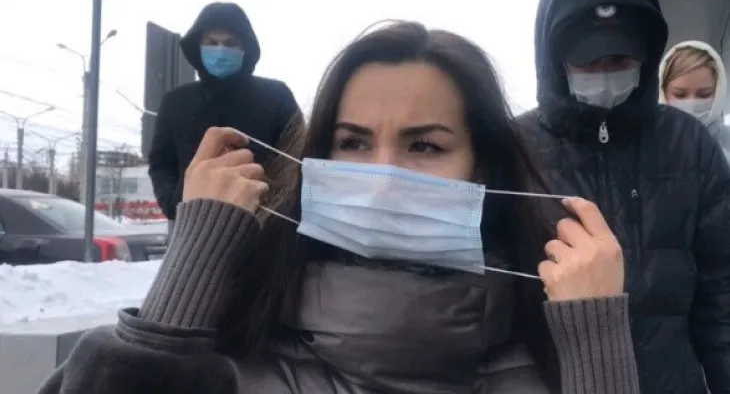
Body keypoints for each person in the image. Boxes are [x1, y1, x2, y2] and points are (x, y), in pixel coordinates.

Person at [37, 22, 639, 394]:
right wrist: (190, 272)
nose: (380, 179)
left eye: (425, 146)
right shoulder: (234, 345)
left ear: (482, 168)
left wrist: (596, 340)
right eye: (352, 143)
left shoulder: (536, 353)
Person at [516, 0, 730, 393]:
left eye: (619, 60)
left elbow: (721, 297)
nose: (604, 73)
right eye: (587, 61)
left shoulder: (691, 144)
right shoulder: (516, 149)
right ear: (554, 61)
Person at [147, 2, 302, 236]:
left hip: (265, 234)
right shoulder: (176, 102)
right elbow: (161, 164)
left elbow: (297, 159)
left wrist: (276, 208)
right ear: (197, 47)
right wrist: (175, 202)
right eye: (212, 42)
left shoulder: (276, 96)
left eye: (231, 43)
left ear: (246, 48)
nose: (221, 50)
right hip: (194, 232)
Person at [659, 40, 730, 162]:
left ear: (718, 93)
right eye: (680, 95)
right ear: (663, 93)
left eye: (704, 95)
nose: (691, 104)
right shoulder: (646, 145)